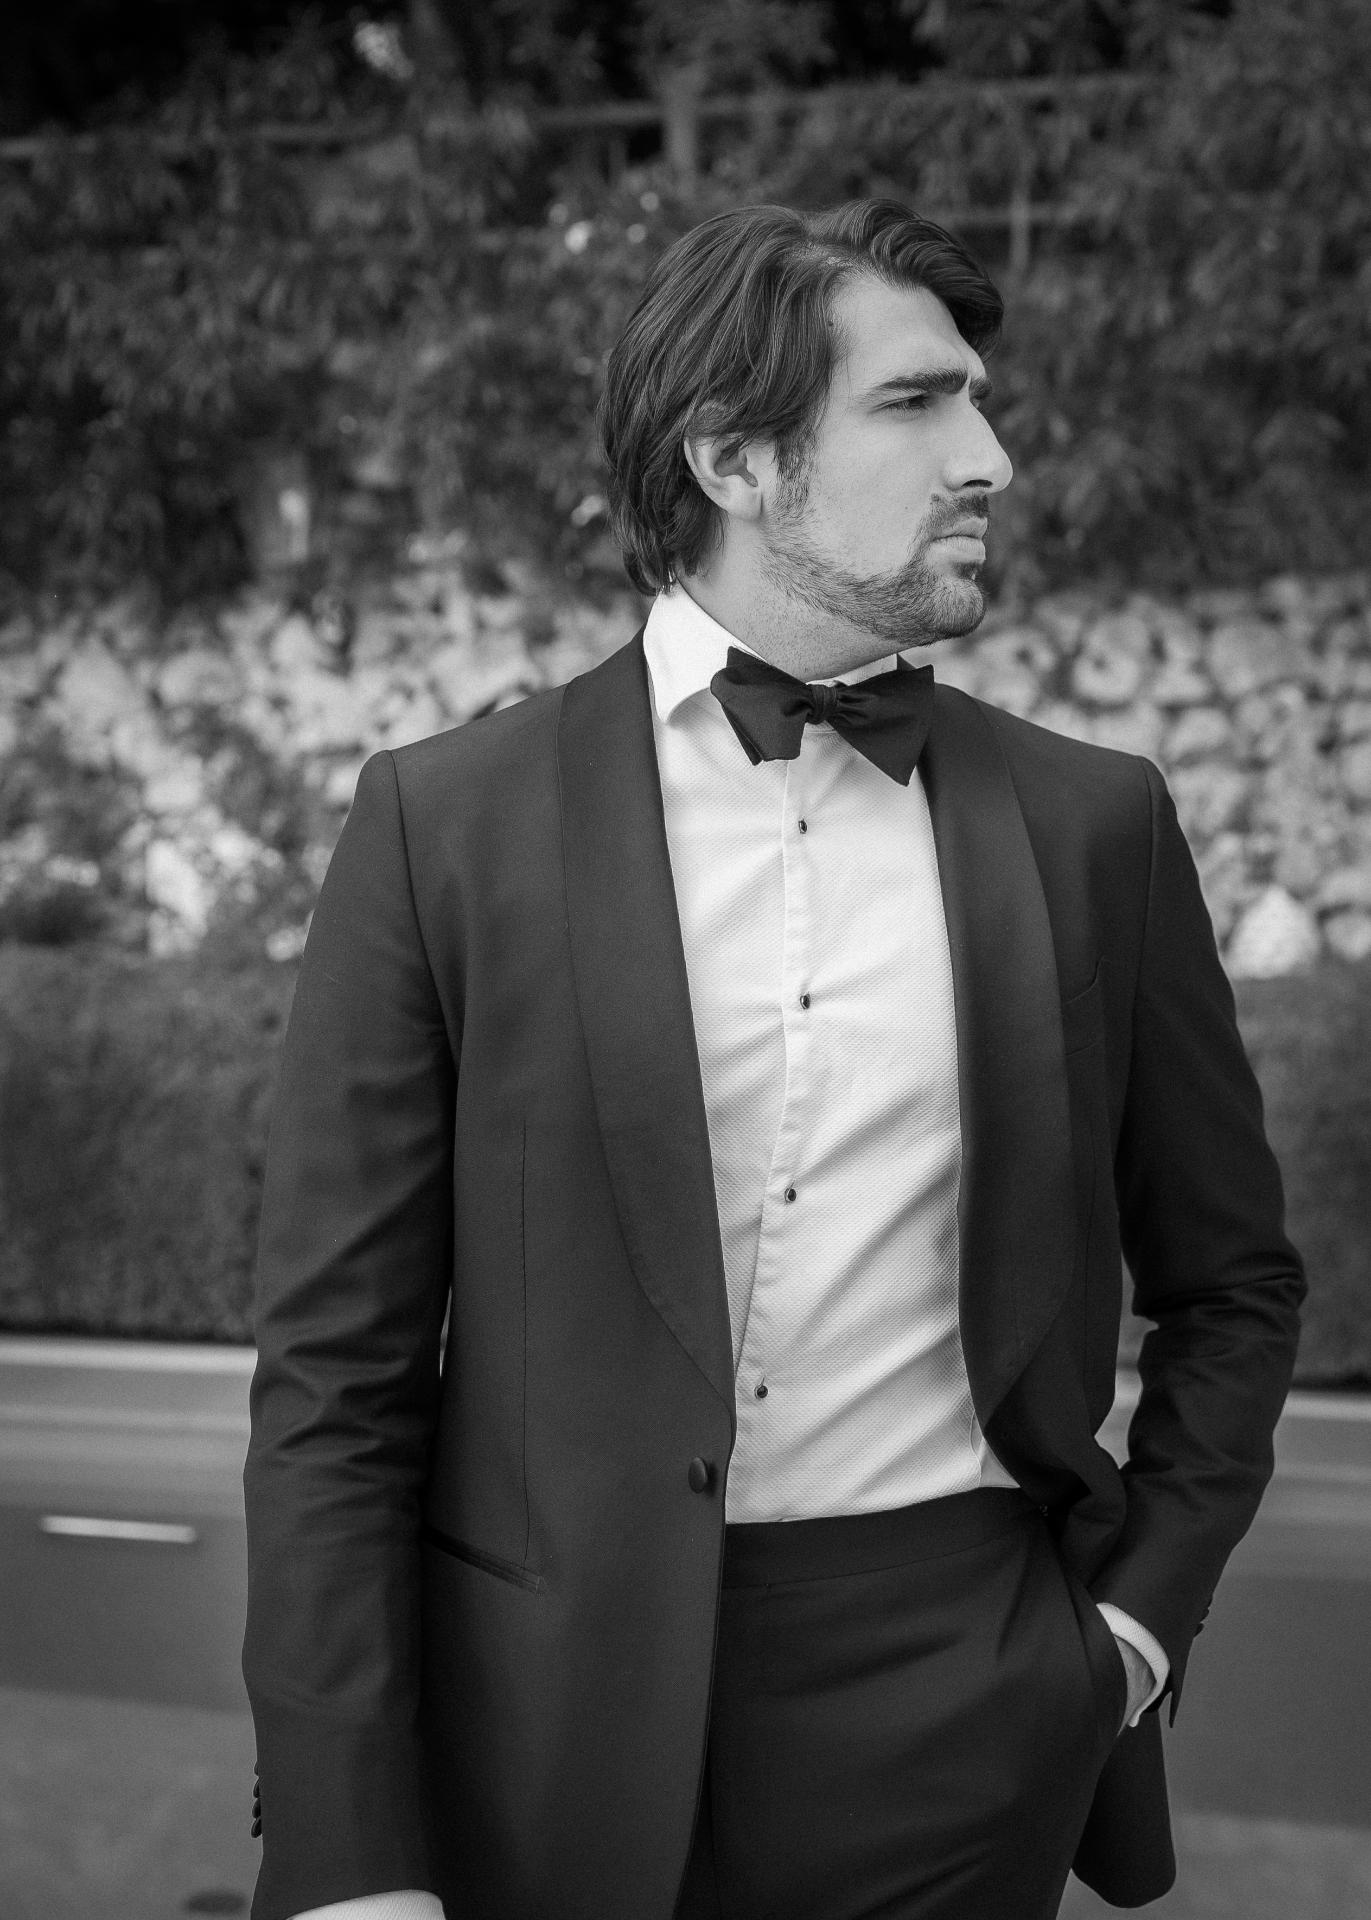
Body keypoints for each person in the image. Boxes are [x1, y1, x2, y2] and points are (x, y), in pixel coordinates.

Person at [242, 200, 1305, 1920]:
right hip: (543, 1713)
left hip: (967, 1704)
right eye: (916, 404)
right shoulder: (444, 826)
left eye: (977, 399)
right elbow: (333, 1387)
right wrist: (349, 1857)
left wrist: (1121, 1634)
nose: (993, 456)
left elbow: (1235, 1282)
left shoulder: (1095, 826)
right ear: (734, 459)